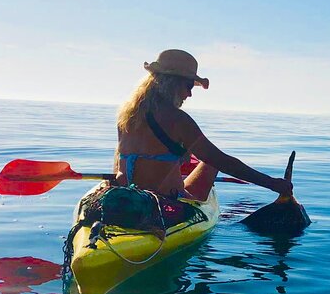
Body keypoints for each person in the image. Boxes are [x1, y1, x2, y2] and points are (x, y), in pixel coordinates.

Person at [114, 49, 293, 201]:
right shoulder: (178, 120)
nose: (190, 94)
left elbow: (119, 160)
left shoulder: (127, 115)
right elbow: (222, 161)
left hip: (125, 198)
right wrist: (272, 184)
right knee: (210, 163)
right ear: (172, 84)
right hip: (164, 204)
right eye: (189, 86)